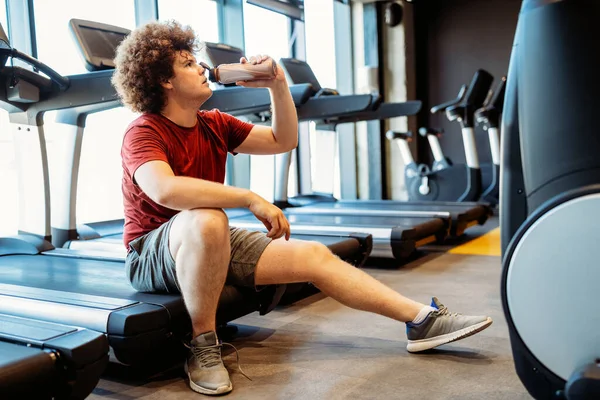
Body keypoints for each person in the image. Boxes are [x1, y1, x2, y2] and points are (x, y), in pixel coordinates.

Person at [112, 20, 493, 397]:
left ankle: (421, 320)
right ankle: (203, 348)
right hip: (150, 254)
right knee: (208, 217)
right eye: (187, 63)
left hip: (206, 238)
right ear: (164, 80)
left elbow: (283, 139)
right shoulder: (144, 131)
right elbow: (166, 190)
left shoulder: (214, 124)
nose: (200, 67)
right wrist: (248, 197)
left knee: (311, 254)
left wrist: (277, 85)